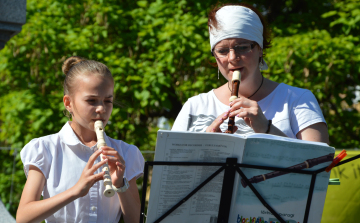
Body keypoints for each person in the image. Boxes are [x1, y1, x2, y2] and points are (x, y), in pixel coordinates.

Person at [172, 3, 329, 144]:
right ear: (214, 55)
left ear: (260, 49)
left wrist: (266, 128)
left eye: (242, 47)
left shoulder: (298, 100)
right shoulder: (194, 107)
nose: (232, 58)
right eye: (222, 51)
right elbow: (170, 171)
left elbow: (320, 168)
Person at [17, 56, 145, 223]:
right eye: (91, 101)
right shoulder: (45, 149)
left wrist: (120, 184)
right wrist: (75, 191)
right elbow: (23, 217)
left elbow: (135, 220)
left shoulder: (125, 152)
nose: (101, 109)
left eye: (108, 101)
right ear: (68, 103)